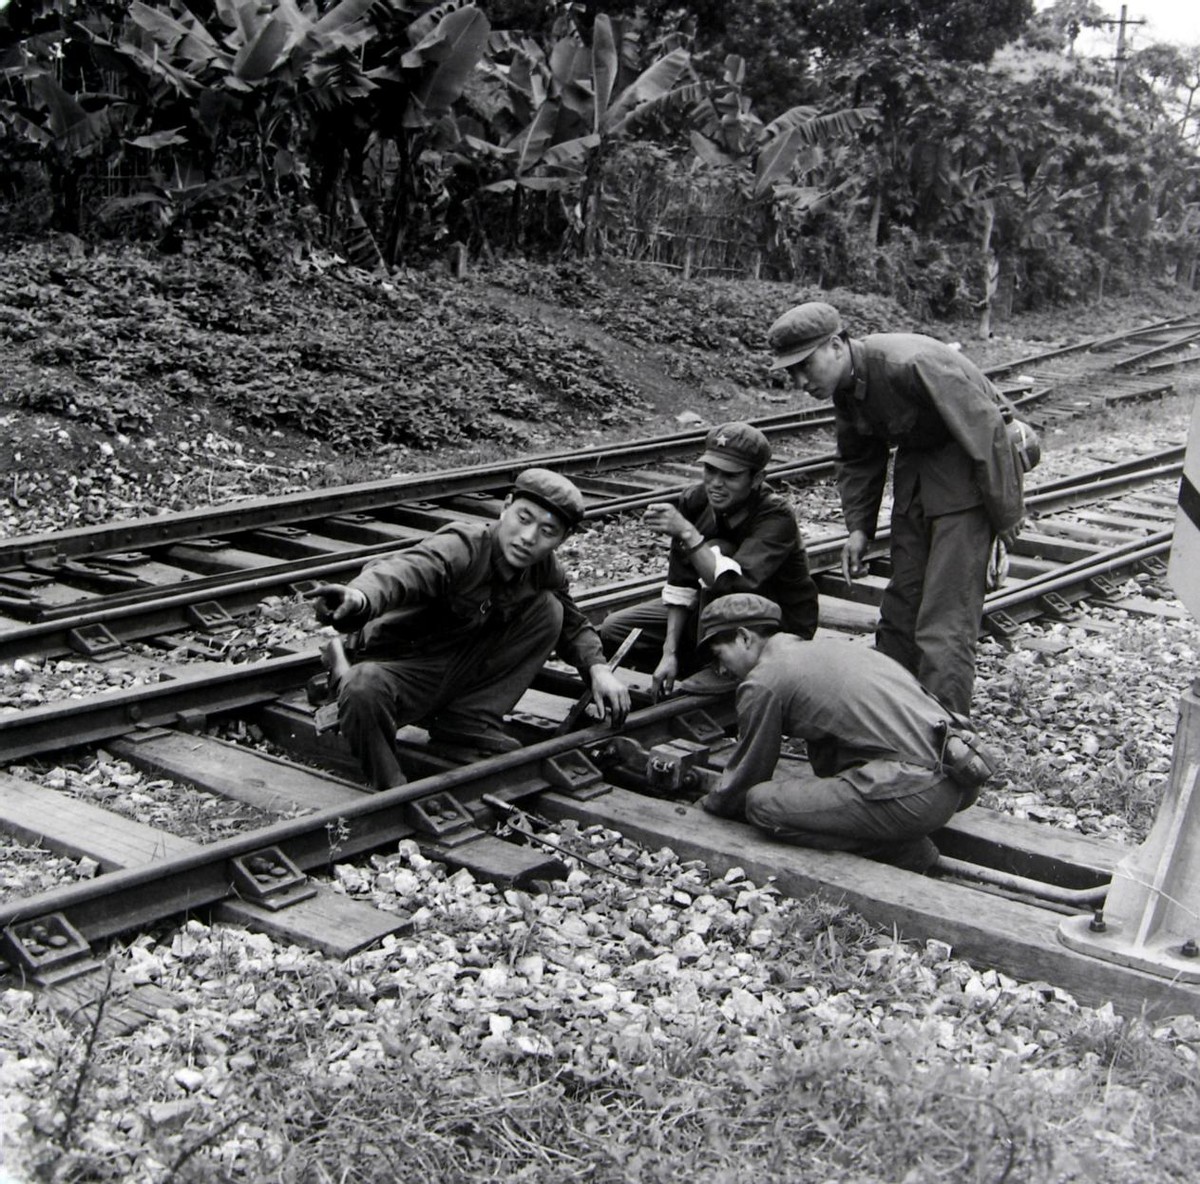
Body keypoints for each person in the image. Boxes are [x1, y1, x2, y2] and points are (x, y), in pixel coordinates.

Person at [767, 302, 1023, 716]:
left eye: (804, 366)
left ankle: (945, 732)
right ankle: (891, 715)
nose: (799, 381)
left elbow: (987, 432)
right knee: (901, 608)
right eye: (790, 372)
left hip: (970, 469)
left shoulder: (909, 363)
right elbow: (858, 458)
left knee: (944, 619)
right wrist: (858, 530)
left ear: (836, 345)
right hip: (919, 472)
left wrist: (1004, 522)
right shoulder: (847, 388)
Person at [306, 468, 630, 790]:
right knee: (362, 686)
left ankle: (467, 719)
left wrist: (598, 669)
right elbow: (405, 571)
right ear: (506, 506)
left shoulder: (544, 568)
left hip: (457, 663)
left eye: (548, 530)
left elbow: (574, 623)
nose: (529, 537)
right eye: (524, 518)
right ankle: (392, 791)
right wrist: (360, 597)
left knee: (550, 610)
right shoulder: (463, 545)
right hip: (402, 666)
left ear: (563, 538)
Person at [695, 594, 995, 873]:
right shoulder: (826, 649)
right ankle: (894, 825)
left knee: (761, 805)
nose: (721, 669)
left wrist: (709, 805)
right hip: (960, 779)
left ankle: (899, 850)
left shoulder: (764, 680)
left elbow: (748, 775)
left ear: (745, 637)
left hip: (918, 797)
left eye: (720, 654)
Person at [599, 421, 819, 698]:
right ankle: (700, 660)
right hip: (710, 611)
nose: (716, 483)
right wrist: (669, 652)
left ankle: (723, 666)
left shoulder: (775, 514)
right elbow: (681, 585)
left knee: (718, 550)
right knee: (614, 629)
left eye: (730, 475)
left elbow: (734, 584)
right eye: (710, 470)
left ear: (756, 479)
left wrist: (688, 533)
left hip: (774, 621)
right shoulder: (695, 500)